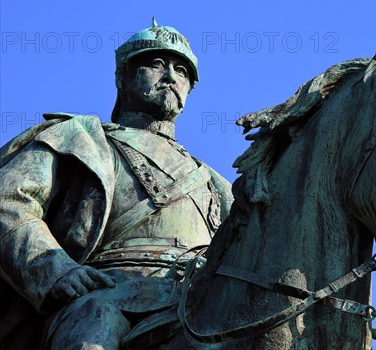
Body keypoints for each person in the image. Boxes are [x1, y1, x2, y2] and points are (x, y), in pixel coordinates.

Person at [0, 19, 233, 349]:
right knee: (93, 331)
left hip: (196, 300)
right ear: (123, 78)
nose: (170, 76)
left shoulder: (217, 184)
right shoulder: (81, 137)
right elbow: (9, 202)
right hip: (105, 291)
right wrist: (57, 271)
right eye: (156, 64)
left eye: (181, 71)